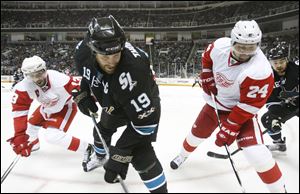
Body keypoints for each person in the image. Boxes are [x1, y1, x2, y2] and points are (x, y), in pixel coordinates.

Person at [170, 20, 287, 192]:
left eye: (251, 47)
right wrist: (207, 74)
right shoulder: (219, 46)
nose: (245, 53)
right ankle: (182, 156)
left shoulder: (260, 70)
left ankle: (280, 190)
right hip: (215, 105)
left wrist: (231, 126)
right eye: (241, 47)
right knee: (195, 136)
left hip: (241, 113)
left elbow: (250, 105)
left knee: (257, 155)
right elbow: (207, 58)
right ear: (232, 41)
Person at [73, 15, 167, 193]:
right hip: (113, 99)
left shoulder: (134, 70)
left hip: (141, 102)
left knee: (141, 153)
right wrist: (84, 92)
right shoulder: (82, 52)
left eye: (116, 54)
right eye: (105, 56)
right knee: (101, 130)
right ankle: (100, 156)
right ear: (92, 50)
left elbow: (147, 123)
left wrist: (120, 154)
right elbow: (87, 73)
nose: (111, 61)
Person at [8, 55, 95, 171]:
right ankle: (34, 144)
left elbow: (81, 91)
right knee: (29, 130)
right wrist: (19, 135)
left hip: (65, 107)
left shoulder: (59, 79)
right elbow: (19, 111)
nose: (37, 78)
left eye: (39, 73)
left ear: (45, 69)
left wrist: (93, 100)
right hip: (46, 108)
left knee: (52, 136)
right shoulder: (23, 87)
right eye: (32, 76)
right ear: (26, 76)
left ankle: (89, 148)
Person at [261, 42, 299, 153]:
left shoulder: (296, 70)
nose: (278, 65)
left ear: (287, 60)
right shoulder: (268, 77)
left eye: (281, 61)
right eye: (275, 63)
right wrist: (274, 117)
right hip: (286, 106)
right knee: (267, 119)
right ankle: (279, 144)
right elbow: (272, 100)